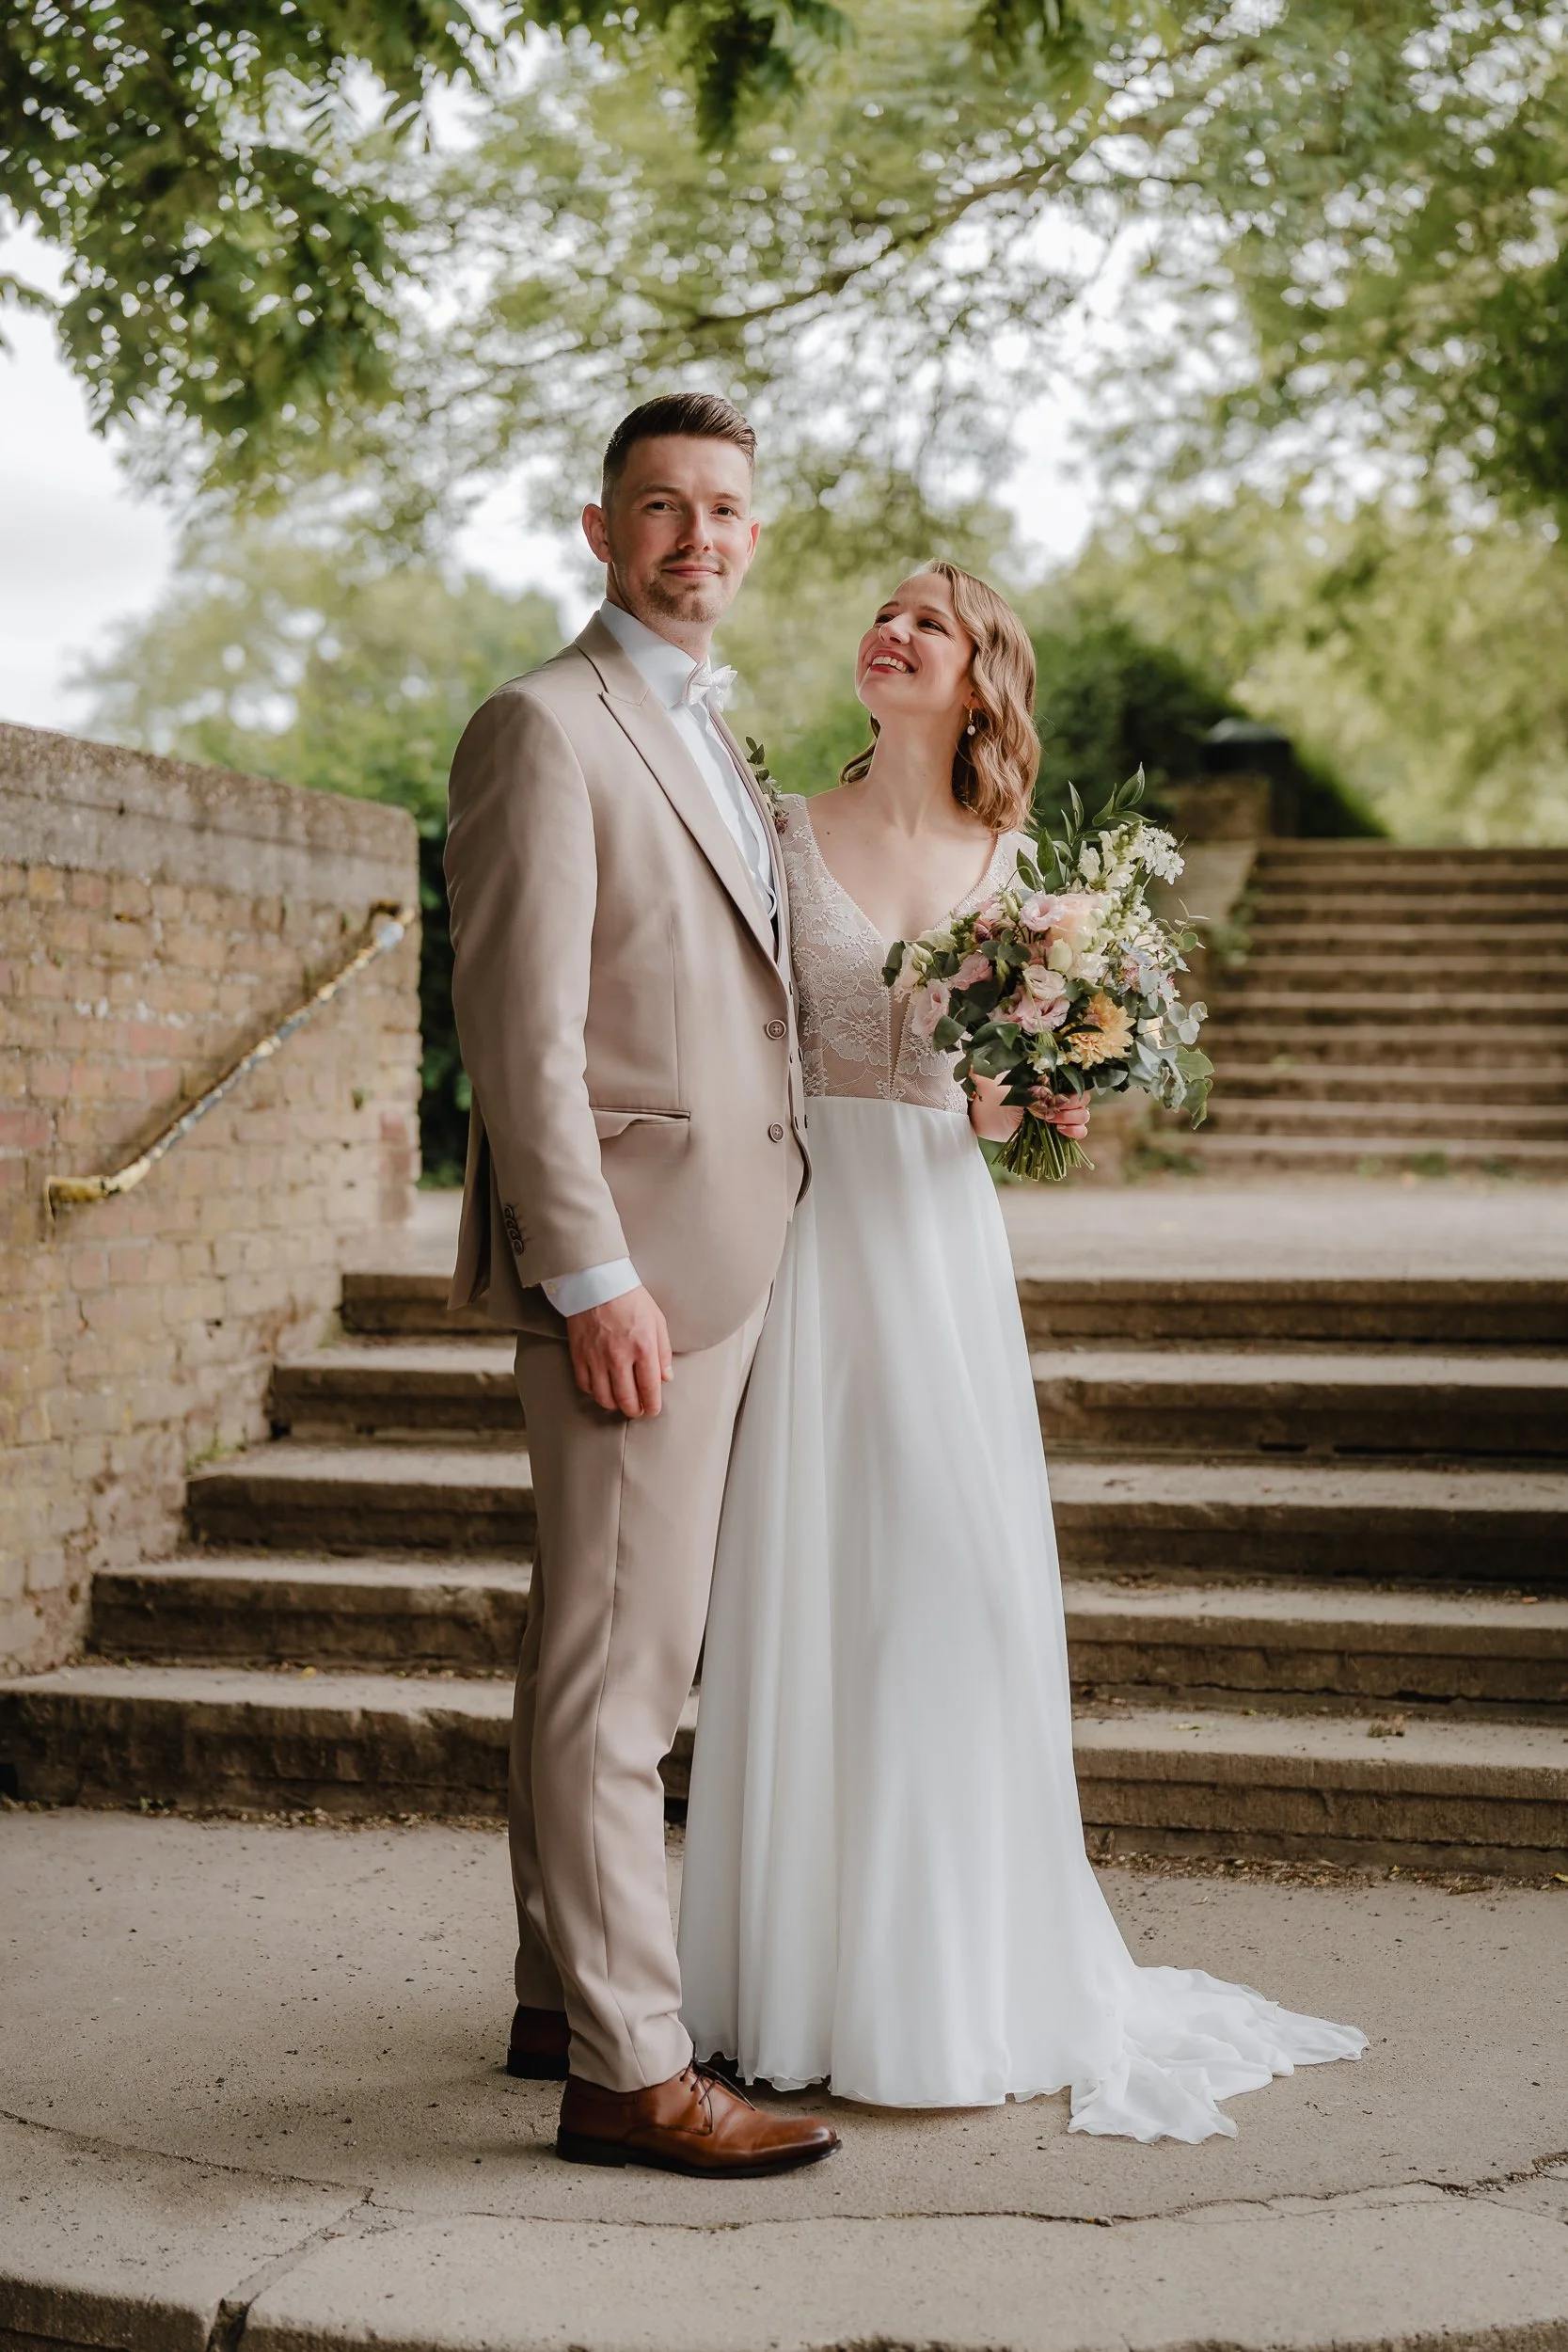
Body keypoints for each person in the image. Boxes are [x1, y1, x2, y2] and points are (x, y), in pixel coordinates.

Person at [676, 560, 1368, 2139]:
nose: (892, 630)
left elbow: (1002, 1115)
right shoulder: (773, 831)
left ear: (980, 674)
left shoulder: (1018, 871)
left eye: (928, 620)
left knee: (953, 1596)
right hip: (804, 1228)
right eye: (885, 611)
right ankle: (788, 1985)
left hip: (935, 1241)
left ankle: (948, 1983)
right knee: (809, 1592)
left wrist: (1044, 1081)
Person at [443, 392, 838, 2176]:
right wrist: (592, 1274)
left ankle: (561, 1992)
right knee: (624, 1682)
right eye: (662, 508)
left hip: (734, 1244)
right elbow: (517, 1039)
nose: (699, 538)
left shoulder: (712, 732)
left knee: (586, 1645)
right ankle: (632, 2075)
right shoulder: (541, 725)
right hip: (640, 1277)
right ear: (600, 531)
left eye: (726, 509)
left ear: (753, 532)